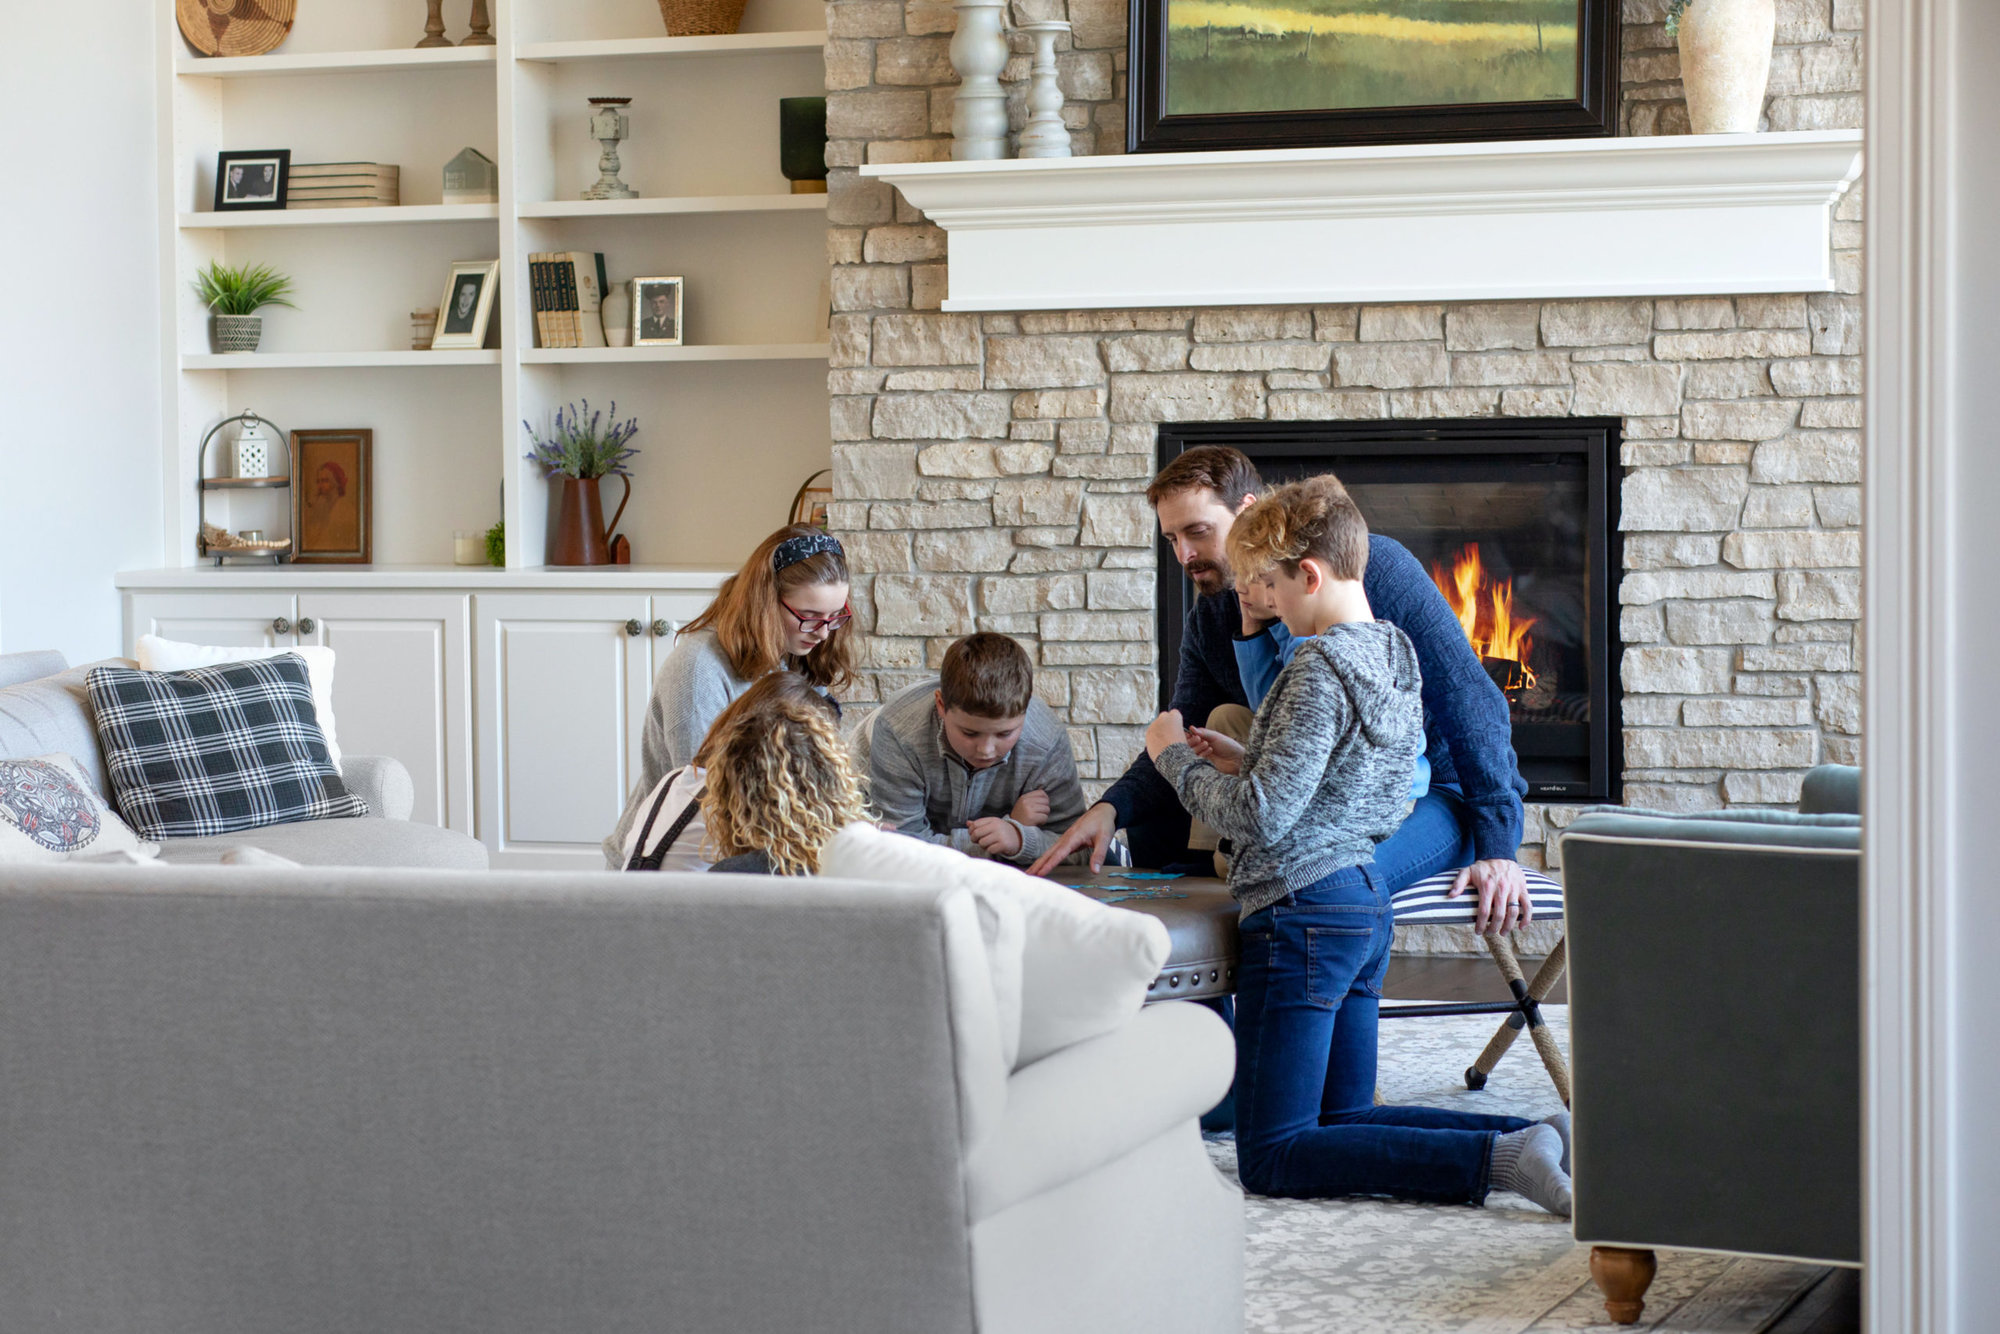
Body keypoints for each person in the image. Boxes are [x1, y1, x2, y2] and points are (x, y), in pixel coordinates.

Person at [1146, 478, 1570, 1212]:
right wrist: (1249, 758)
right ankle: (1537, 1134)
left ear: (1309, 576)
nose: (1265, 604)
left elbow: (1260, 816)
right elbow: (1368, 786)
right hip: (1363, 907)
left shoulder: (1315, 666)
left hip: (1302, 912)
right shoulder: (1395, 656)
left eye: (1271, 587)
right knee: (1343, 1117)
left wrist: (1172, 760)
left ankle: (1498, 1159)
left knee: (1273, 1154)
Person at [1030, 446, 1533, 937]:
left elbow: (1471, 698)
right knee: (1175, 807)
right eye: (1172, 539)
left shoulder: (1367, 570)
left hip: (1433, 793)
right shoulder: (1214, 614)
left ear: (1249, 513)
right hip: (1316, 794)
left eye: (1198, 532)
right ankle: (1195, 972)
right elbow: (1180, 731)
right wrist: (1110, 808)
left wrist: (1498, 847)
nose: (1184, 554)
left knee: (1317, 879)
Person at [602, 525, 855, 866]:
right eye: (809, 617)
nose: (823, 633)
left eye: (834, 617)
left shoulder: (799, 649)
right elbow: (708, 802)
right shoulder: (698, 669)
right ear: (765, 602)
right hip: (672, 860)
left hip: (755, 845)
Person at [860, 631, 1086, 866]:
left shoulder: (1047, 741)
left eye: (1004, 734)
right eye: (970, 733)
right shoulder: (898, 731)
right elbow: (899, 849)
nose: (986, 750)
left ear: (1026, 711)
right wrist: (1008, 832)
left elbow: (1079, 848)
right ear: (941, 705)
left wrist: (1019, 840)